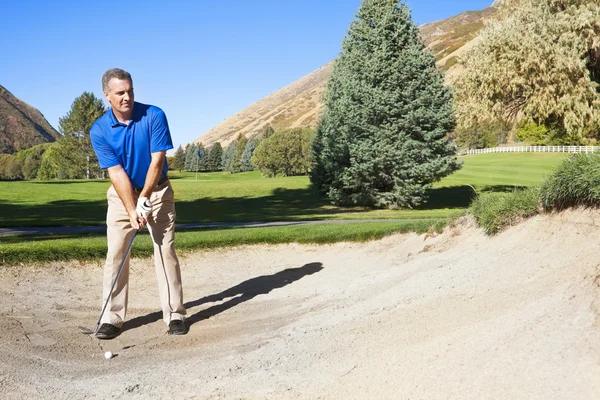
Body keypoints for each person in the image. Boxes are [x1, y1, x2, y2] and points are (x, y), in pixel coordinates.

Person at [90, 68, 187, 339]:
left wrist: (145, 197)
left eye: (130, 91)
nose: (127, 97)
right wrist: (133, 209)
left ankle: (175, 314)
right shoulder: (99, 129)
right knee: (116, 253)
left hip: (158, 192)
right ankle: (112, 317)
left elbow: (157, 160)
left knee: (164, 251)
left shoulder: (154, 115)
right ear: (107, 95)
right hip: (122, 197)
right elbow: (116, 172)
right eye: (120, 92)